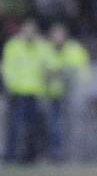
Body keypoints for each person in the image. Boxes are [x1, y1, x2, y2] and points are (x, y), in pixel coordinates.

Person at [1, 18, 49, 163]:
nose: (29, 33)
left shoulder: (41, 46)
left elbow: (47, 66)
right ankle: (10, 156)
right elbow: (6, 68)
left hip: (35, 92)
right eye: (27, 29)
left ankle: (30, 157)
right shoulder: (13, 46)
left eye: (32, 30)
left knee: (33, 126)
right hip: (17, 91)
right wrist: (9, 86)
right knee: (14, 125)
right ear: (22, 30)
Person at [44, 22, 91, 161]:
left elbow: (75, 71)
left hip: (72, 94)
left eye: (60, 34)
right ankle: (57, 154)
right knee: (55, 126)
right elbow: (44, 72)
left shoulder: (74, 49)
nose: (57, 37)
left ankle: (73, 155)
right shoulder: (46, 50)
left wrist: (56, 72)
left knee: (72, 125)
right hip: (53, 94)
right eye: (55, 35)